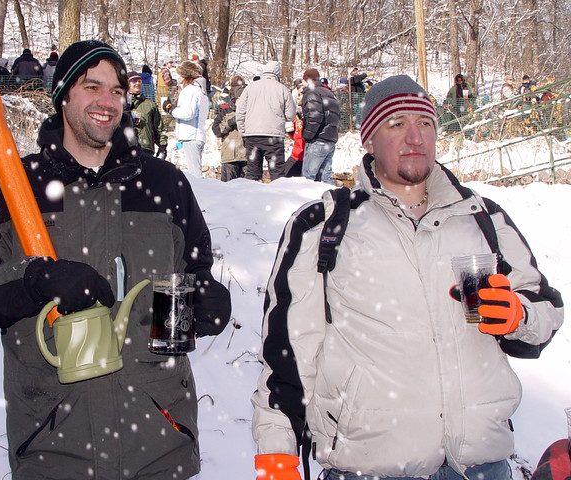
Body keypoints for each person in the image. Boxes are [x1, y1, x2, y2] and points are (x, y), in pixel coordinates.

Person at [252, 74, 563, 480]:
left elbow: (544, 309)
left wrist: (518, 315)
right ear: (369, 140)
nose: (415, 138)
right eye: (397, 124)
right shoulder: (326, 225)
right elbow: (288, 353)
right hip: (368, 467)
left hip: (482, 467)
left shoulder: (482, 218)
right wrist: (277, 455)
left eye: (426, 124)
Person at [0, 40, 231, 480]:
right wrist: (35, 279)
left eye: (117, 91)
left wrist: (202, 305)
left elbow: (190, 282)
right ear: (63, 95)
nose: (107, 102)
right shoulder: (17, 187)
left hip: (159, 449)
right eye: (92, 87)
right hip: (54, 451)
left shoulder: (165, 185)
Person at [235, 60, 296, 182]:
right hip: (274, 136)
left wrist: (243, 132)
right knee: (277, 173)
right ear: (277, 74)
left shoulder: (250, 88)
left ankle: (252, 193)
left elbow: (240, 113)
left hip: (252, 135)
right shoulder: (283, 89)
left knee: (252, 173)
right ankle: (277, 193)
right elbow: (290, 114)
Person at [164, 60, 209, 177]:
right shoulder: (200, 91)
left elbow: (188, 113)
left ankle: (198, 189)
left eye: (181, 75)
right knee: (194, 171)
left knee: (195, 174)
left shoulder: (190, 90)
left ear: (186, 76)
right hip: (196, 135)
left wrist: (171, 109)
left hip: (191, 136)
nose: (179, 78)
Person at [300, 68, 340, 185]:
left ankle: (305, 197)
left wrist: (307, 135)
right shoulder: (329, 93)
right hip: (330, 139)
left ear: (306, 80)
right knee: (325, 178)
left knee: (307, 178)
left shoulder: (312, 93)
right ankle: (332, 196)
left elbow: (314, 116)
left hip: (318, 139)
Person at [212, 82, 246, 181]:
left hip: (247, 158)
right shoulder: (226, 112)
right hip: (230, 158)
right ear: (237, 98)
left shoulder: (251, 113)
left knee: (248, 188)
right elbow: (216, 130)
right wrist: (229, 123)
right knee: (227, 188)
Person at [132, 80, 168, 160]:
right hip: (125, 150)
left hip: (146, 148)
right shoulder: (119, 105)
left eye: (139, 81)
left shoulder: (150, 105)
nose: (137, 83)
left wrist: (162, 147)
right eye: (134, 81)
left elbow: (159, 128)